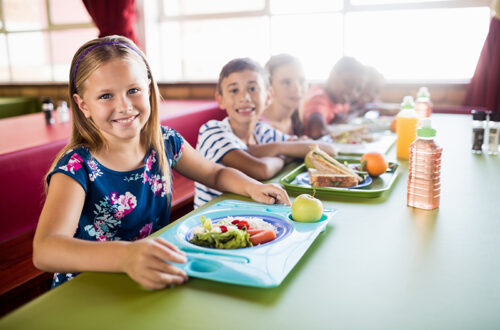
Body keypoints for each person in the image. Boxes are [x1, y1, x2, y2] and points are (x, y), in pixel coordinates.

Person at [32, 36, 290, 291]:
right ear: (83, 104)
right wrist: (126, 256)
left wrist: (252, 187)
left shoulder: (165, 141)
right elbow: (46, 249)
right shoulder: (77, 166)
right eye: (106, 96)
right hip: (90, 288)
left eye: (133, 90)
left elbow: (215, 173)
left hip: (153, 276)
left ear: (148, 87)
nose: (124, 106)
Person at [194, 58, 336, 207]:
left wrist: (277, 148)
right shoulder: (212, 131)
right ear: (221, 99)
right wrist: (285, 156)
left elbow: (327, 150)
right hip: (214, 220)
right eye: (234, 90)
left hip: (252, 214)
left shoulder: (262, 131)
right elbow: (261, 170)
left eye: (253, 88)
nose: (244, 98)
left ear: (268, 96)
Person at [303, 56, 366, 139]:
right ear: (333, 76)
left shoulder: (339, 101)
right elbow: (316, 132)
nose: (352, 92)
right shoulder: (319, 99)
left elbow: (346, 115)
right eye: (349, 83)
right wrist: (337, 126)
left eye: (358, 89)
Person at [262, 54, 308, 137]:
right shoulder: (259, 126)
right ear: (269, 86)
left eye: (302, 81)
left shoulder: (297, 118)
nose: (297, 89)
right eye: (286, 82)